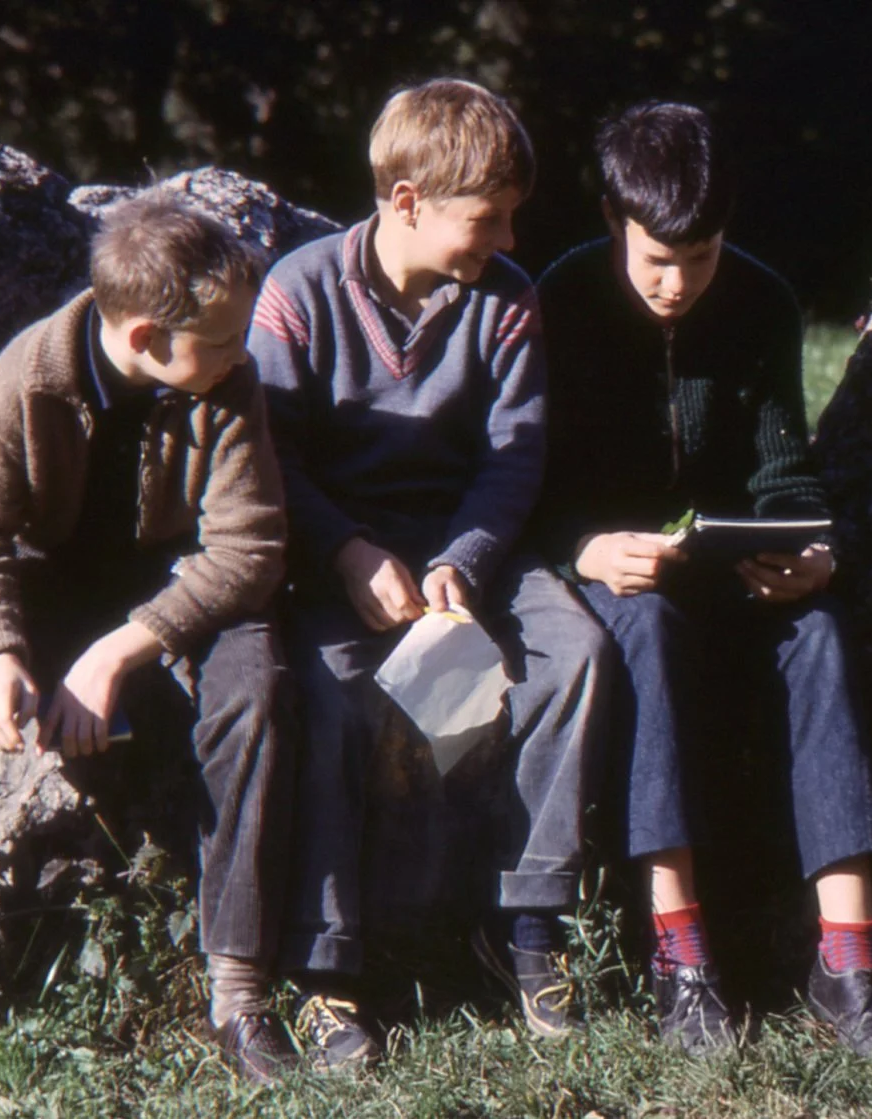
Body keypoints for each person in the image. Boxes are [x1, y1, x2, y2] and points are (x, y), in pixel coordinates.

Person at [0, 190, 299, 1085]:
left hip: (173, 592)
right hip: (41, 586)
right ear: (144, 339)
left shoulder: (226, 382)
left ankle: (240, 992)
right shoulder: (24, 381)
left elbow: (251, 547)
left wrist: (124, 649)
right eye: (225, 337)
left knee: (259, 689)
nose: (245, 353)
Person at [249, 77, 608, 1070]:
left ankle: (526, 924)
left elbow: (512, 456)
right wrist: (346, 552)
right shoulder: (297, 293)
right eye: (484, 219)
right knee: (328, 693)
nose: (503, 239)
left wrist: (463, 560)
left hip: (463, 543)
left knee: (570, 653)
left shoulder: (506, 302)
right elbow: (270, 457)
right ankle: (328, 969)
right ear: (406, 200)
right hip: (336, 551)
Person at [532, 101, 872, 1056]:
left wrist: (811, 550)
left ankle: (849, 956)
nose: (677, 283)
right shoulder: (557, 302)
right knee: (643, 630)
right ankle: (680, 952)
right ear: (613, 221)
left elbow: (786, 470)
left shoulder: (763, 301)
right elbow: (525, 482)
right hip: (620, 580)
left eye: (700, 259)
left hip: (729, 573)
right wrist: (585, 549)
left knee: (819, 633)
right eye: (655, 259)